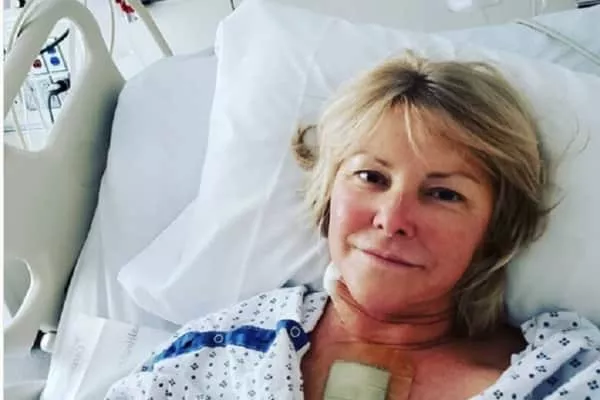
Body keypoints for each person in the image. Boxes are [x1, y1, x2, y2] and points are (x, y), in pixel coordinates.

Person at [105, 55, 600, 400]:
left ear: (496, 227)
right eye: (371, 177)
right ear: (327, 196)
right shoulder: (223, 349)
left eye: (444, 194)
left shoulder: (566, 374)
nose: (393, 219)